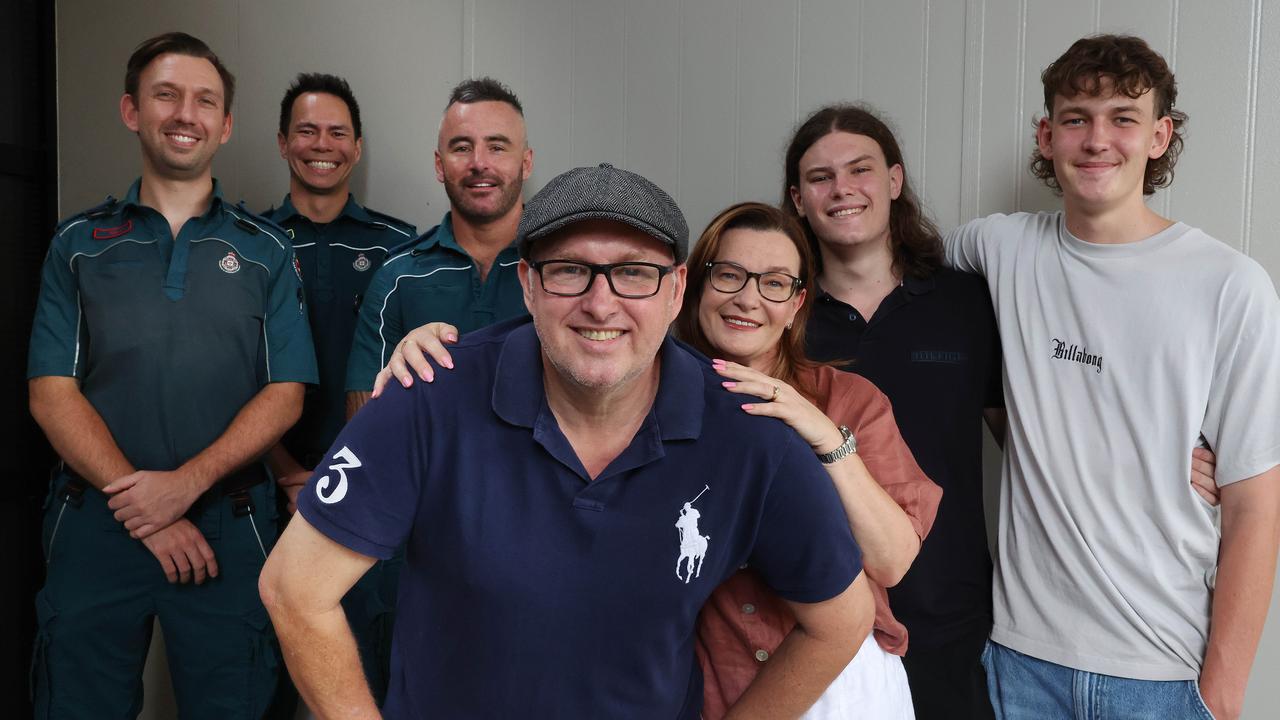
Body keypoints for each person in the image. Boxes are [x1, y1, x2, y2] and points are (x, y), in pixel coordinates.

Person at [259, 163, 874, 718]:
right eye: (571, 271)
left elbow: (842, 621)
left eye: (634, 272)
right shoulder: (431, 395)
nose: (600, 304)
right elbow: (294, 588)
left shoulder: (748, 435)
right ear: (527, 283)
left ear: (677, 289)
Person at [943, 34, 1280, 720]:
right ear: (1047, 134)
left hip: (1162, 672)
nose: (1098, 139)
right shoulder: (995, 248)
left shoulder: (1230, 286)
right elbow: (903, 301)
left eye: (1123, 117)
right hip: (1019, 662)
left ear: (1160, 135)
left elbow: (1256, 509)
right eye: (1076, 118)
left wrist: (1220, 695)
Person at [27, 32, 315, 719]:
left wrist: (183, 488)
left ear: (226, 124)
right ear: (132, 111)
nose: (186, 113)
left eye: (204, 101)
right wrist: (148, 515)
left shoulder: (266, 251)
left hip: (229, 524)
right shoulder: (76, 246)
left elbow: (286, 395)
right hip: (96, 525)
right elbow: (50, 394)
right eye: (167, 95)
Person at [676, 202, 941, 719]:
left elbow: (891, 561)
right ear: (695, 283)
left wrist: (825, 436)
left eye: (774, 283)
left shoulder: (850, 400)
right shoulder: (656, 398)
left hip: (845, 686)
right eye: (729, 275)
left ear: (797, 301)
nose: (748, 299)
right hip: (711, 681)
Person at [782, 103, 1004, 719]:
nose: (843, 189)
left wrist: (1168, 466)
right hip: (815, 615)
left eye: (860, 169)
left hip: (950, 616)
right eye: (821, 177)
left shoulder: (966, 302)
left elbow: (1032, 438)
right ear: (798, 199)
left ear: (895, 181)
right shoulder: (779, 315)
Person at [261, 72, 414, 708]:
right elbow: (233, 377)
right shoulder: (249, 243)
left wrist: (333, 482)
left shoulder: (401, 249)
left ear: (355, 147)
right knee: (259, 678)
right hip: (263, 493)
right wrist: (289, 474)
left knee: (370, 675)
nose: (321, 144)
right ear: (282, 143)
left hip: (374, 498)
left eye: (337, 132)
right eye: (306, 130)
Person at [343, 76, 531, 414]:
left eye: (497, 146)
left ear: (526, 163)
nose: (479, 163)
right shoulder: (397, 277)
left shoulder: (560, 268)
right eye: (461, 147)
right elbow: (362, 417)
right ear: (439, 165)